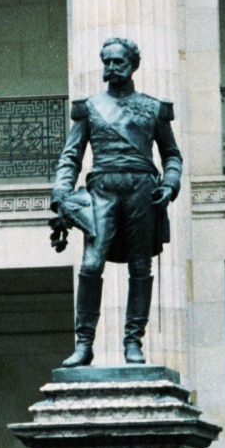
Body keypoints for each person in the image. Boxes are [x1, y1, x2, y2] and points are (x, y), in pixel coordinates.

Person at [49, 36, 182, 366]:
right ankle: (84, 343)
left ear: (132, 65)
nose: (110, 67)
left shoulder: (154, 108)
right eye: (105, 61)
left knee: (140, 267)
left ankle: (133, 341)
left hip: (142, 190)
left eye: (117, 61)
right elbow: (71, 156)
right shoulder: (90, 107)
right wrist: (61, 193)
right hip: (103, 191)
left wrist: (170, 184)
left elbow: (172, 156)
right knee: (92, 264)